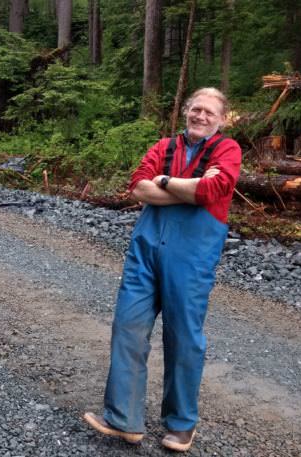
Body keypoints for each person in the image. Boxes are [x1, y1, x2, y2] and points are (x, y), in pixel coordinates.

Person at [83, 87, 241, 452]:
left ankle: (182, 424)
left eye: (209, 113)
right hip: (146, 248)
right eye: (195, 109)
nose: (201, 116)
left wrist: (166, 182)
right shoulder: (163, 146)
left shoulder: (227, 149)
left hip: (192, 254)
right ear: (186, 111)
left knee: (184, 337)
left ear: (222, 119)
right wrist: (190, 189)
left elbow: (215, 189)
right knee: (128, 326)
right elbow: (138, 186)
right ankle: (123, 419)